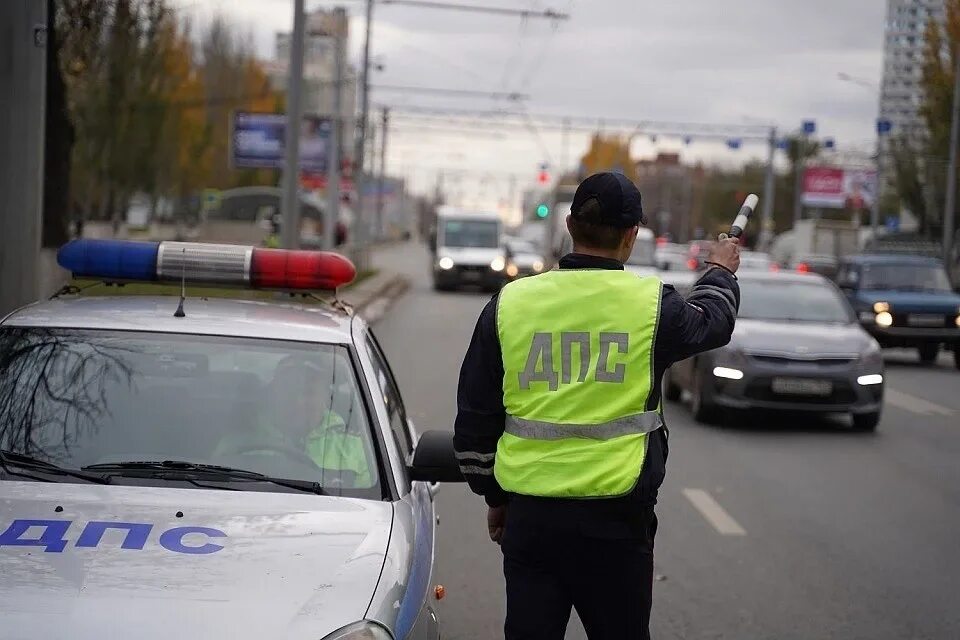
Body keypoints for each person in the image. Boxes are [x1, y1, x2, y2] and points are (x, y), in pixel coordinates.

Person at [453, 172, 741, 640]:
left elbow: (475, 416)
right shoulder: (652, 306)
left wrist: (494, 496)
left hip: (531, 520)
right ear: (631, 236)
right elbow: (712, 322)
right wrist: (721, 272)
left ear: (569, 224)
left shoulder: (511, 302)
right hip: (618, 523)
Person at [213, 356, 372, 487]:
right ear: (273, 395)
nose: (298, 401)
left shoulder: (357, 449)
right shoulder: (237, 445)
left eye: (309, 392)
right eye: (290, 390)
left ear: (326, 398)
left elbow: (371, 511)